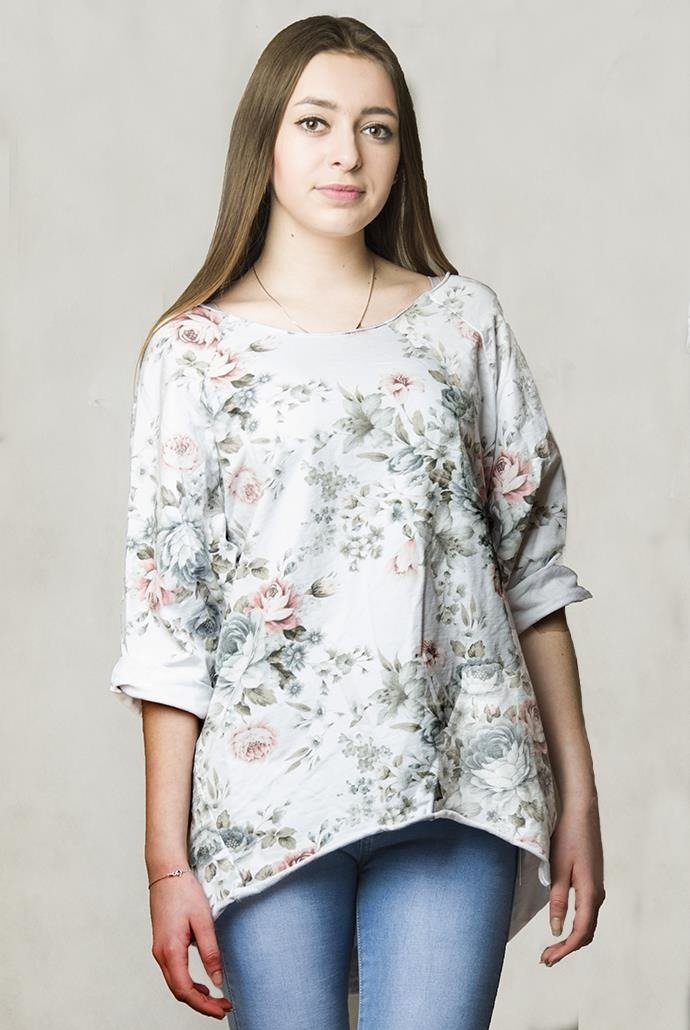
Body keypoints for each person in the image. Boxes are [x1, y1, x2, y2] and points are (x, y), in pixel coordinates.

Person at [109, 14, 605, 1030]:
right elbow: (170, 621)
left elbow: (532, 578)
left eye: (377, 128)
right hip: (267, 798)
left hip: (463, 783)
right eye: (316, 122)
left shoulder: (463, 322)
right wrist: (166, 862)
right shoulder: (194, 353)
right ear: (264, 141)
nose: (347, 152)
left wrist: (580, 801)